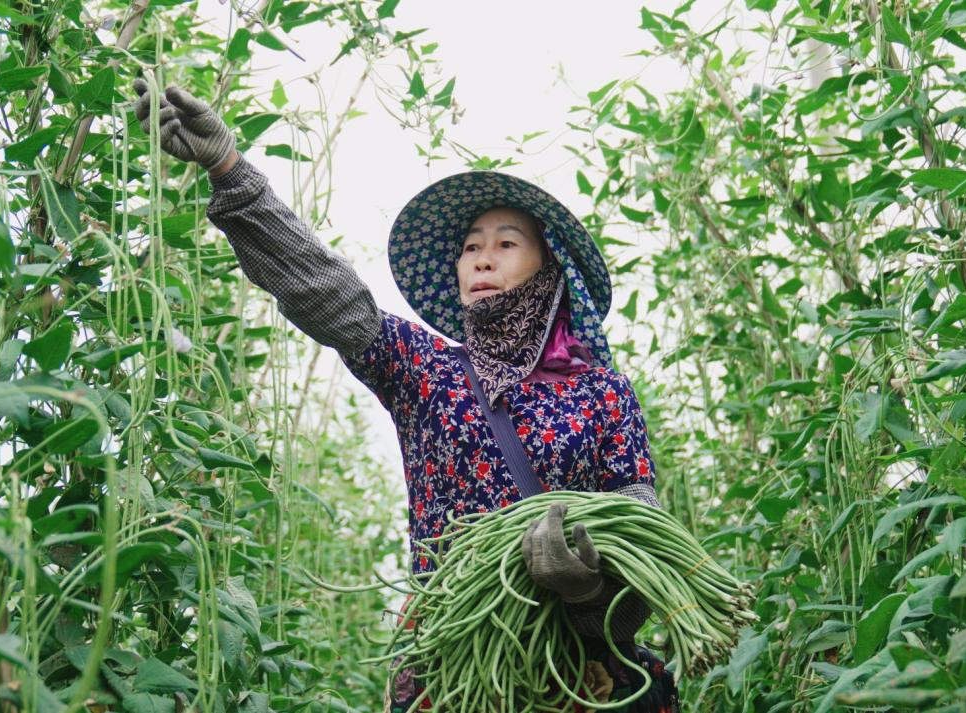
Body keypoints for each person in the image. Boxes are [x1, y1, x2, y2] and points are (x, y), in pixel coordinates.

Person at [132, 82, 681, 712]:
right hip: (454, 672)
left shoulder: (602, 393)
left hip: (579, 678)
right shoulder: (428, 372)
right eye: (470, 247)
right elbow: (324, 290)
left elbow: (641, 537)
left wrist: (586, 588)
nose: (481, 259)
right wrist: (229, 167)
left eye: (506, 243)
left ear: (550, 270)